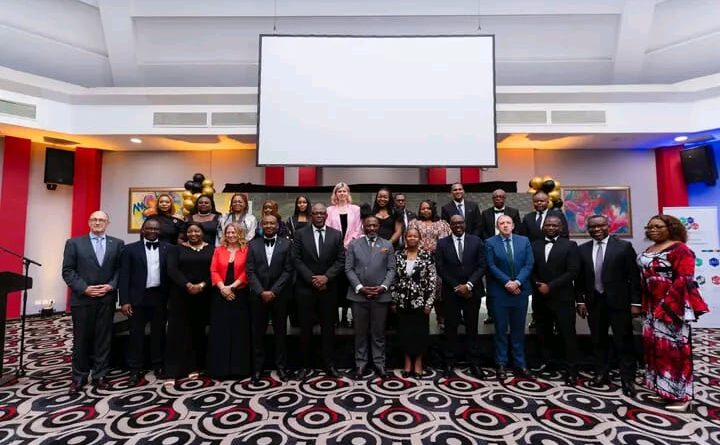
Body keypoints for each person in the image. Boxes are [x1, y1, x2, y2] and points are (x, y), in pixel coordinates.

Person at [637, 214, 708, 412]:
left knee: (675, 351)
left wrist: (667, 308)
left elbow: (684, 280)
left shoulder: (680, 249)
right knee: (657, 350)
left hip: (671, 308)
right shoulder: (650, 249)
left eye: (658, 226)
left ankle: (682, 397)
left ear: (671, 228)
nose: (653, 230)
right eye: (650, 227)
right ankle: (665, 391)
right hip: (650, 307)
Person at [575, 214, 641, 396]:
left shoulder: (623, 247)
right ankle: (601, 373)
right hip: (594, 302)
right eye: (592, 227)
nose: (596, 229)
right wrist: (580, 300)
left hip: (619, 302)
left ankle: (627, 378)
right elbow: (579, 279)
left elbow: (634, 277)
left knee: (623, 340)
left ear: (608, 226)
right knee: (598, 340)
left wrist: (636, 303)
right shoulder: (582, 249)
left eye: (600, 226)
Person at [62, 211, 124, 395]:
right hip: (83, 299)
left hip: (106, 298)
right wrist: (85, 288)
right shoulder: (74, 243)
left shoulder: (117, 243)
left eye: (101, 220)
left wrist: (111, 285)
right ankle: (79, 377)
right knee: (81, 339)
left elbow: (120, 269)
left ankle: (100, 375)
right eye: (94, 219)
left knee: (103, 339)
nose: (98, 222)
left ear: (108, 223)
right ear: (89, 222)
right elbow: (68, 271)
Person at [293, 203, 346, 379]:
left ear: (326, 215)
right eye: (315, 213)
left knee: (328, 329)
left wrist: (326, 278)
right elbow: (296, 259)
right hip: (305, 289)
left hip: (328, 289)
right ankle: (304, 365)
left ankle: (329, 365)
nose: (319, 216)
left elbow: (340, 260)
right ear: (311, 215)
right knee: (305, 329)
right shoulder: (300, 234)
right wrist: (312, 279)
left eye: (322, 213)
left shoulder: (336, 234)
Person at [119, 217, 171, 385]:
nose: (152, 231)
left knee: (158, 333)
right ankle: (134, 369)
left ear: (159, 231)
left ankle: (158, 365)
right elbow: (124, 276)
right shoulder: (129, 249)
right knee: (136, 334)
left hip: (159, 297)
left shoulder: (168, 249)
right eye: (149, 228)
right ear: (143, 230)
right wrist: (124, 301)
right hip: (137, 298)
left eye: (155, 229)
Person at [531, 215, 581, 385]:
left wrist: (550, 286)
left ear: (561, 228)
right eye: (548, 225)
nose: (551, 228)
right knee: (543, 333)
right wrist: (537, 284)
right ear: (543, 227)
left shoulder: (570, 246)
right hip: (540, 298)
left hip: (562, 298)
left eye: (554, 225)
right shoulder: (535, 245)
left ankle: (571, 368)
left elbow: (573, 271)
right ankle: (547, 362)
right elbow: (531, 268)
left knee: (567, 334)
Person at [436, 214, 487, 379]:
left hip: (472, 291)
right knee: (450, 328)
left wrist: (469, 285)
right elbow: (440, 267)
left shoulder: (476, 241)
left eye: (460, 223)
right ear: (450, 225)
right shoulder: (442, 243)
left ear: (465, 224)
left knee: (472, 327)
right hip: (451, 292)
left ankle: (474, 362)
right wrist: (457, 287)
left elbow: (482, 265)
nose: (457, 225)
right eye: (454, 223)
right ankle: (449, 362)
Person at [345, 216, 397, 380]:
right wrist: (360, 288)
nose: (372, 228)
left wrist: (383, 287)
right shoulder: (354, 244)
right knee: (360, 333)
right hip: (359, 297)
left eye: (375, 225)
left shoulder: (387, 245)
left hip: (380, 296)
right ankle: (360, 364)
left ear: (379, 226)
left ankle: (379, 364)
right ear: (363, 227)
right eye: (369, 226)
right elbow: (348, 269)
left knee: (379, 333)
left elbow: (391, 269)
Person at [485, 215, 534, 380]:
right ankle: (501, 363)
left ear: (513, 226)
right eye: (501, 223)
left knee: (518, 330)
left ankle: (520, 363)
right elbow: (491, 265)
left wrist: (518, 282)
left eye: (508, 223)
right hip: (500, 293)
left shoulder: (524, 241)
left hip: (520, 292)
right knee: (500, 330)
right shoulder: (490, 242)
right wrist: (507, 282)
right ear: (497, 227)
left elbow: (529, 264)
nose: (505, 225)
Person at [246, 214, 294, 383]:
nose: (268, 226)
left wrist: (273, 291)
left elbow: (288, 270)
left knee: (281, 333)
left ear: (277, 226)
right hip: (258, 297)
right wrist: (261, 291)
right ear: (261, 226)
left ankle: (281, 367)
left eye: (272, 223)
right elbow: (250, 271)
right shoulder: (252, 244)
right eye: (265, 223)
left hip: (279, 296)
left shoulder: (287, 244)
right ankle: (257, 369)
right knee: (257, 334)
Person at [164, 222, 214, 382]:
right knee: (177, 332)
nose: (193, 234)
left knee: (197, 331)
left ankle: (195, 366)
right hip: (180, 295)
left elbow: (214, 270)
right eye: (190, 231)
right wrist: (187, 285)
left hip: (203, 295)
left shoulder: (211, 249)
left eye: (197, 231)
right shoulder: (176, 249)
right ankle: (173, 370)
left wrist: (202, 285)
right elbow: (172, 270)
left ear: (202, 233)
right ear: (186, 233)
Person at [207, 222, 252, 379]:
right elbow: (213, 270)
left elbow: (247, 271)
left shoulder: (247, 250)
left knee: (239, 331)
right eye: (228, 232)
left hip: (240, 294)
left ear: (240, 234)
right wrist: (223, 288)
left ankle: (238, 369)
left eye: (234, 232)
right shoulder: (218, 250)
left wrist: (232, 287)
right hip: (220, 295)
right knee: (221, 331)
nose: (231, 235)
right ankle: (219, 369)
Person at [390, 227, 436, 378]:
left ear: (419, 238)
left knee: (420, 334)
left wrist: (429, 303)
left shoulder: (427, 256)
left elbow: (432, 281)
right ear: (405, 238)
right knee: (404, 333)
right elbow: (394, 279)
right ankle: (407, 362)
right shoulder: (398, 255)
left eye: (415, 236)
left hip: (421, 303)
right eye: (409, 236)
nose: (412, 238)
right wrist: (394, 300)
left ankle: (418, 363)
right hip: (402, 302)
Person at [519, 191, 569, 329]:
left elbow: (565, 235)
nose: (539, 203)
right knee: (537, 289)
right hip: (535, 259)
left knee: (555, 289)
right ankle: (537, 318)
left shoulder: (557, 215)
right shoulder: (528, 217)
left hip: (555, 258)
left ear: (548, 202)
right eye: (536, 201)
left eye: (542, 201)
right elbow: (523, 238)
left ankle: (557, 321)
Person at [407, 200, 451, 329]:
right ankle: (419, 319)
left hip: (438, 260)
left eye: (428, 208)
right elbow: (409, 239)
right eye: (423, 208)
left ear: (433, 210)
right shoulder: (414, 223)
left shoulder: (442, 223)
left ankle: (441, 317)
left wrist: (434, 249)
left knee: (439, 288)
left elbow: (446, 241)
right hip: (419, 260)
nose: (425, 211)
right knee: (421, 287)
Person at [480, 189, 521, 325]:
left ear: (505, 198)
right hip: (491, 250)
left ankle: (511, 314)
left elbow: (518, 230)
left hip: (509, 251)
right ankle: (491, 314)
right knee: (492, 284)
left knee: (510, 281)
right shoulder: (485, 213)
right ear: (492, 199)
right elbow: (483, 232)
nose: (498, 198)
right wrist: (492, 244)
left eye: (501, 196)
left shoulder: (514, 212)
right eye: (496, 197)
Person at [326, 182, 362, 328]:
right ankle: (335, 316)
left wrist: (347, 243)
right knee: (335, 284)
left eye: (344, 191)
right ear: (335, 194)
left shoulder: (355, 209)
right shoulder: (329, 210)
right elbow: (327, 229)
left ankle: (348, 316)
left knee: (349, 284)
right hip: (334, 252)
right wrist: (338, 245)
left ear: (348, 193)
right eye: (339, 191)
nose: (342, 193)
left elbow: (359, 228)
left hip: (352, 251)